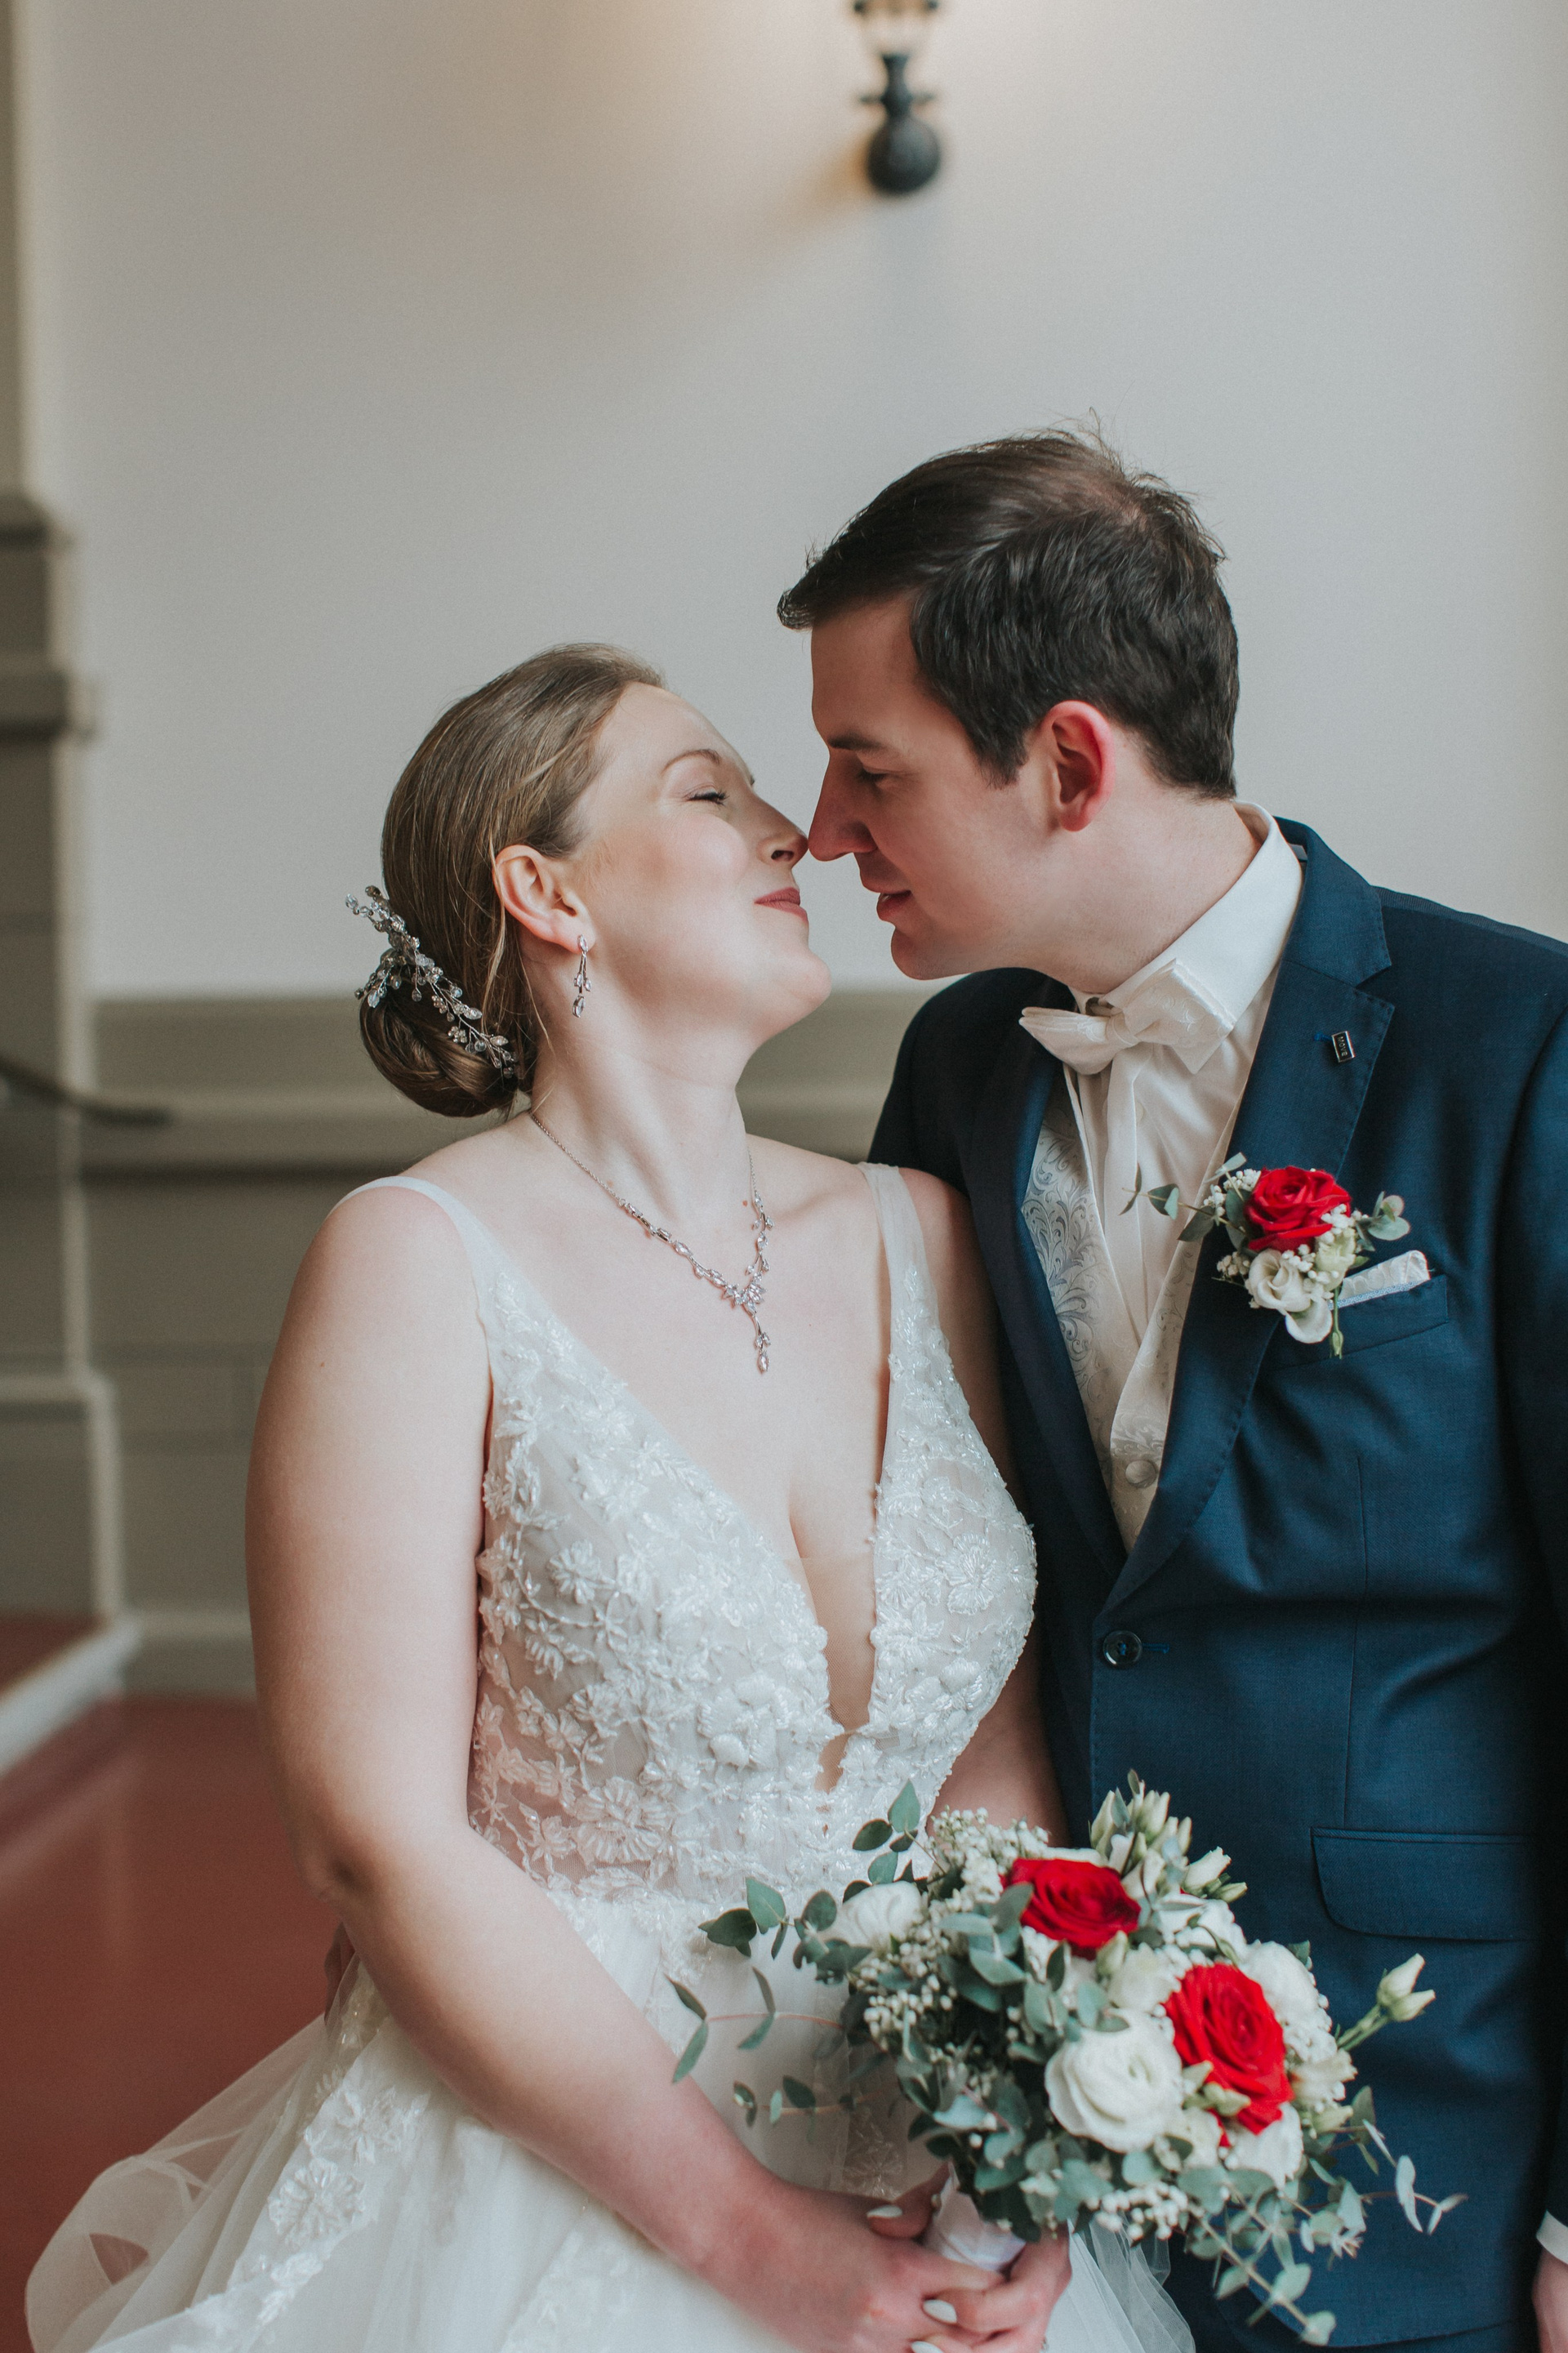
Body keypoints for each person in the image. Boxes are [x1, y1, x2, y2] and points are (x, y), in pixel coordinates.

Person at [26, 645, 1178, 2353]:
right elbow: (374, 1838)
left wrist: (1014, 2117)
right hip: (559, 2168)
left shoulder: (919, 1231)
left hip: (919, 2160)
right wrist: (747, 2238)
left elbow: (990, 1738)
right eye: (710, 791)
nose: (796, 829)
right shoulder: (416, 1261)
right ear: (546, 891)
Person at [784, 429, 1568, 2353]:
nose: (820, 830)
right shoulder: (959, 1077)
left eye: (870, 769)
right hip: (1061, 2118)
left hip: (1443, 2112)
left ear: (1069, 762)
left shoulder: (1519, 1048)